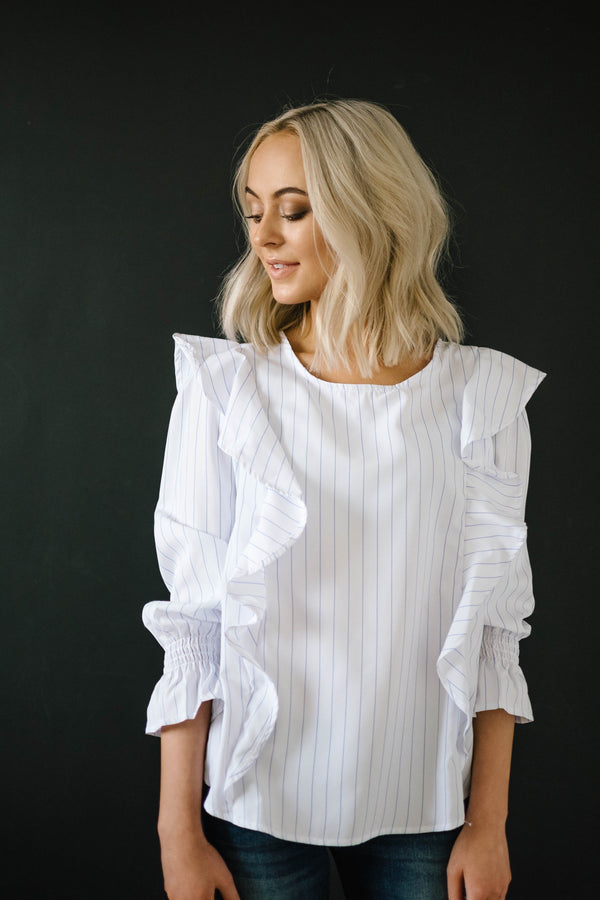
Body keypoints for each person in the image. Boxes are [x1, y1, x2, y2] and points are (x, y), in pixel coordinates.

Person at [143, 99, 545, 900]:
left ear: (371, 210)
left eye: (293, 211)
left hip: (426, 804)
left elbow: (499, 626)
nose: (263, 238)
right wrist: (177, 833)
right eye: (254, 212)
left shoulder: (481, 400)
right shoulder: (228, 393)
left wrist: (488, 823)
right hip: (256, 802)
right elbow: (196, 623)